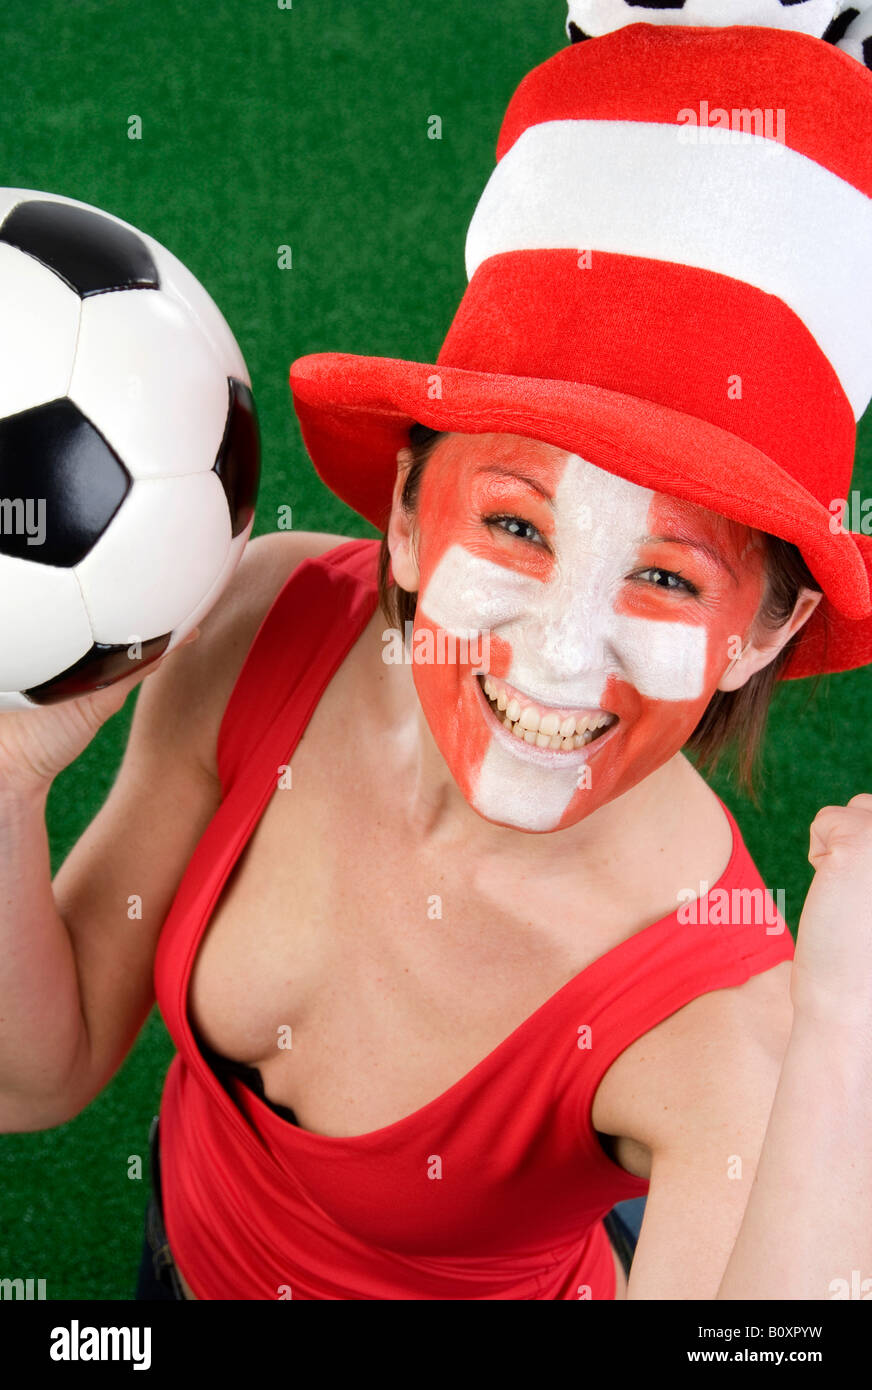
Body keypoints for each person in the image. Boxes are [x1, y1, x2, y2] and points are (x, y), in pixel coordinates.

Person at [2, 16, 872, 1301]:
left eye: (665, 575)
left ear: (763, 632)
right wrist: (9, 766)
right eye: (516, 525)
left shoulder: (721, 1029)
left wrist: (843, 1032)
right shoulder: (266, 617)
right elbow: (38, 1069)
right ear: (406, 515)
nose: (561, 655)